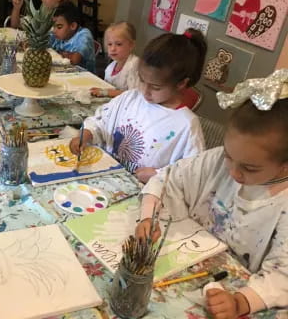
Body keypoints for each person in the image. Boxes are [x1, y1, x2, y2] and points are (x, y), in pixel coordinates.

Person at [136, 70, 288, 318]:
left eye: (249, 168)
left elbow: (283, 276)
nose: (234, 173)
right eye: (229, 155)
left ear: (285, 165)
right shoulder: (218, 160)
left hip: (232, 289)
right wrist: (147, 217)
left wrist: (241, 302)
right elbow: (168, 178)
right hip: (184, 265)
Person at [70, 29, 207, 183]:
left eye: (155, 87)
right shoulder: (130, 98)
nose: (145, 91)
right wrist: (87, 133)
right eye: (141, 80)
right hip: (104, 180)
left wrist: (158, 175)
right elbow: (101, 121)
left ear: (181, 83)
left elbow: (193, 175)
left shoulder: (187, 126)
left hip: (141, 195)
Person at [91, 22, 139, 98]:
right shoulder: (110, 67)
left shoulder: (134, 65)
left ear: (131, 45)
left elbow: (133, 94)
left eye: (119, 44)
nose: (113, 49)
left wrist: (105, 92)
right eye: (110, 44)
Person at [50, 1, 96, 73]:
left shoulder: (84, 35)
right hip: (65, 74)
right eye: (53, 26)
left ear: (73, 26)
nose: (54, 30)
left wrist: (60, 53)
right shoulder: (58, 34)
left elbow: (75, 60)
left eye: (59, 27)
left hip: (84, 79)